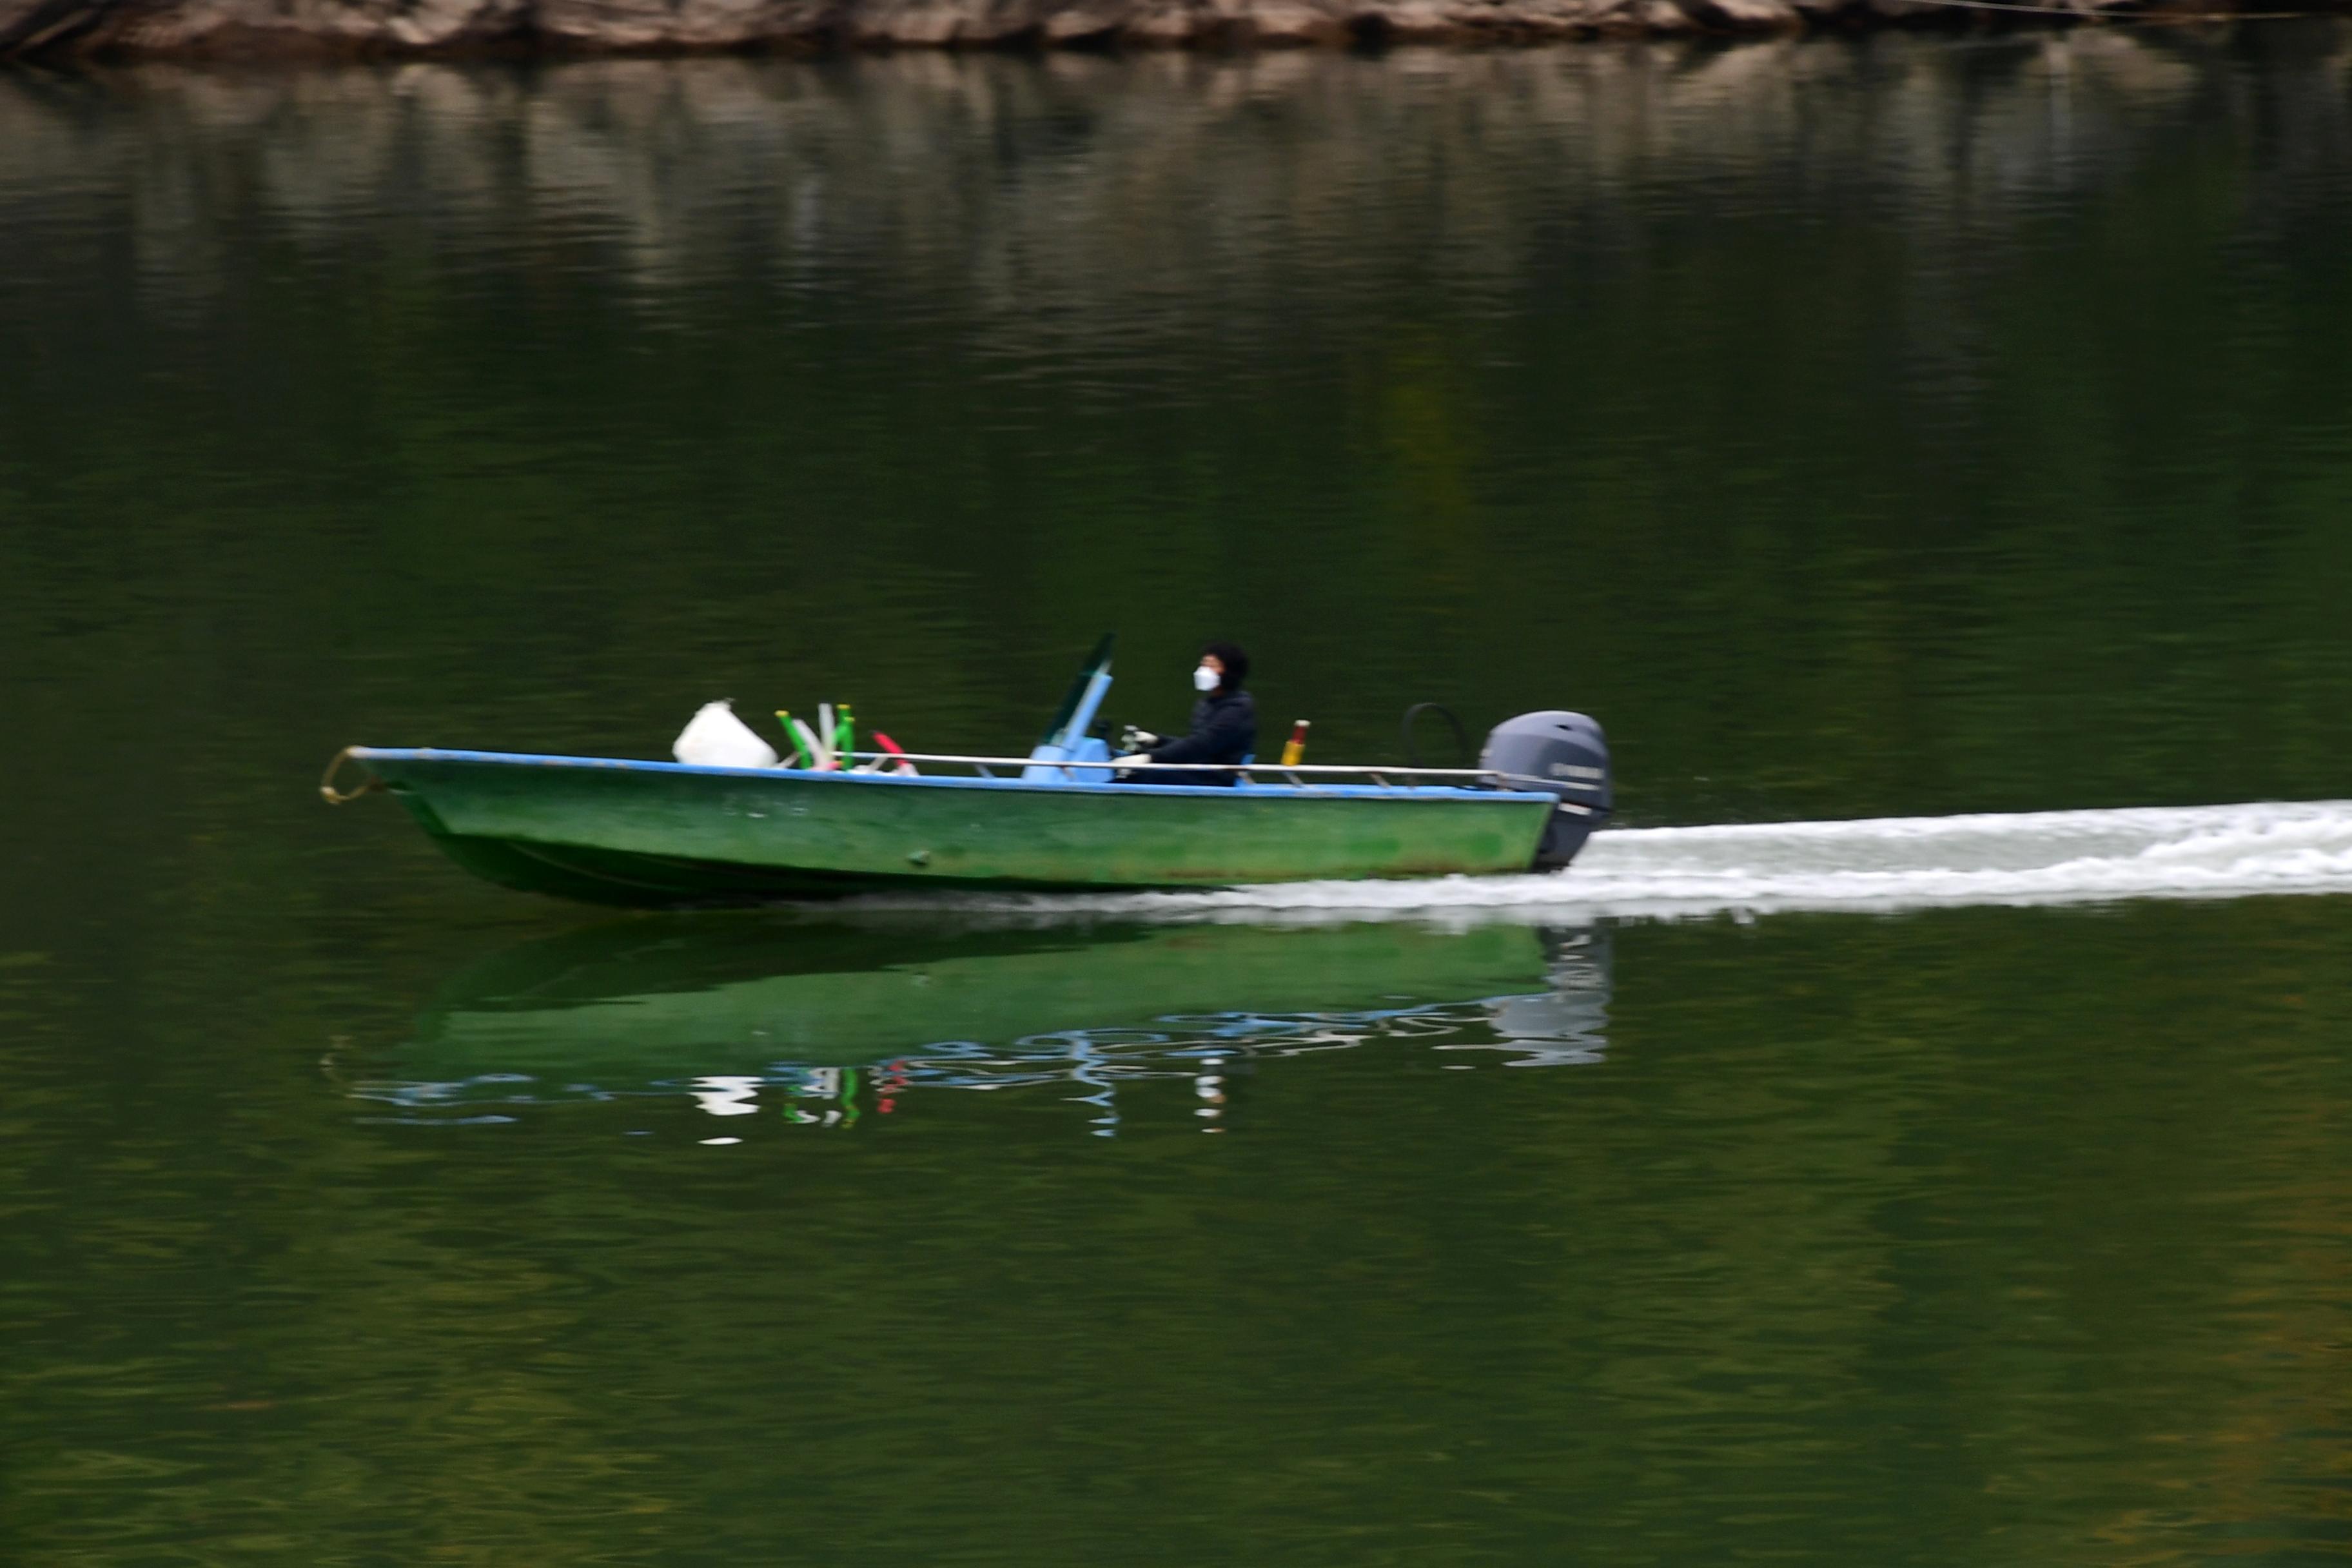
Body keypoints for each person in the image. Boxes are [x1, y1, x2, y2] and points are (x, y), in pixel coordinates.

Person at [1117, 642, 1258, 786]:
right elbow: (1193, 744)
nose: (1204, 671)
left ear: (1230, 672)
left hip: (1214, 778)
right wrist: (1158, 741)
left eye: (1212, 666)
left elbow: (1202, 745)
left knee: (1142, 776)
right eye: (1203, 665)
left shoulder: (1237, 709)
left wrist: (1151, 758)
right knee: (1129, 765)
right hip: (1198, 768)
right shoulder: (1209, 703)